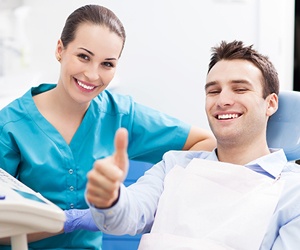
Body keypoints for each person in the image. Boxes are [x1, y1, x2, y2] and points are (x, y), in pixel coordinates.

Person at [0, 4, 216, 250]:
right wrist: (66, 222)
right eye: (84, 56)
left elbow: (205, 143)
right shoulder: (10, 126)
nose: (93, 74)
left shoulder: (121, 115)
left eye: (107, 64)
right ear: (60, 49)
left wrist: (140, 196)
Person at [86, 40, 300, 250]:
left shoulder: (293, 192)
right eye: (213, 91)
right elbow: (128, 215)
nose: (223, 100)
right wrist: (111, 198)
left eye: (240, 89)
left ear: (270, 104)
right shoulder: (174, 165)